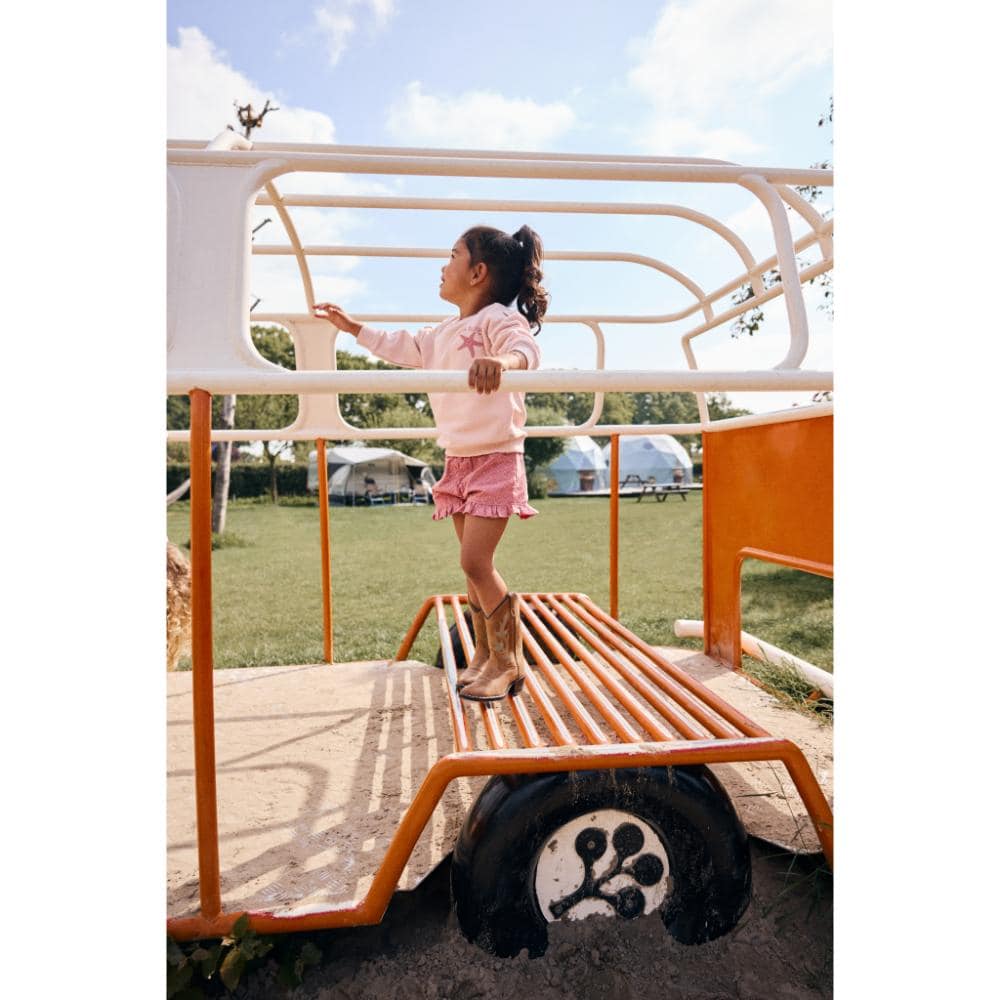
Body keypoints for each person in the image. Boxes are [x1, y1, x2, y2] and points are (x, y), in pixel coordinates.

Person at [314, 225, 548, 703]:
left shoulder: (497, 319)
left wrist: (502, 362)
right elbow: (398, 344)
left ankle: (509, 661)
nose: (443, 266)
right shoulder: (441, 333)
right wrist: (353, 328)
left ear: (477, 272)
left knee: (475, 561)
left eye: (452, 255)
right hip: (458, 460)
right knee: (472, 570)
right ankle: (484, 654)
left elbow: (526, 349)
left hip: (496, 458)